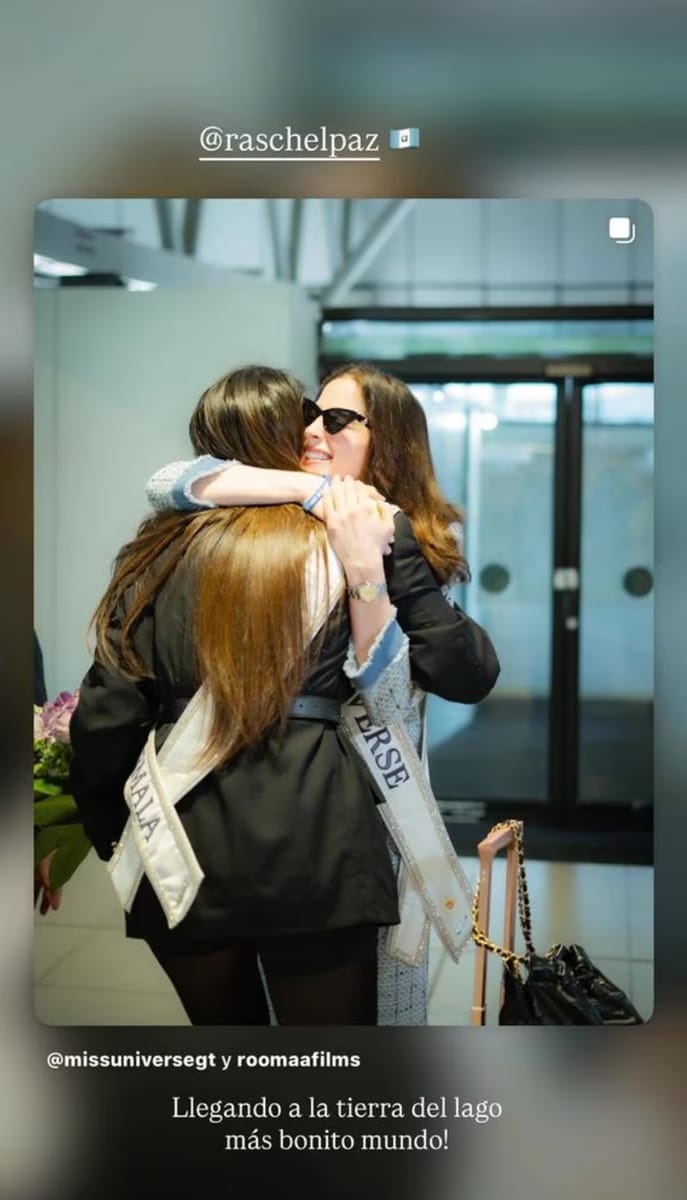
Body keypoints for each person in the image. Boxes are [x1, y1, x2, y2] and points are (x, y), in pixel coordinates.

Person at [144, 362, 500, 1023]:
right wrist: (316, 494)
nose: (313, 427)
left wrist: (383, 558)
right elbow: (166, 481)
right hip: (283, 812)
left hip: (374, 810)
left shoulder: (403, 539)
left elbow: (464, 674)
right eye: (310, 411)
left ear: (388, 438)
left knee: (378, 1019)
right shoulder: (275, 514)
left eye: (337, 419)